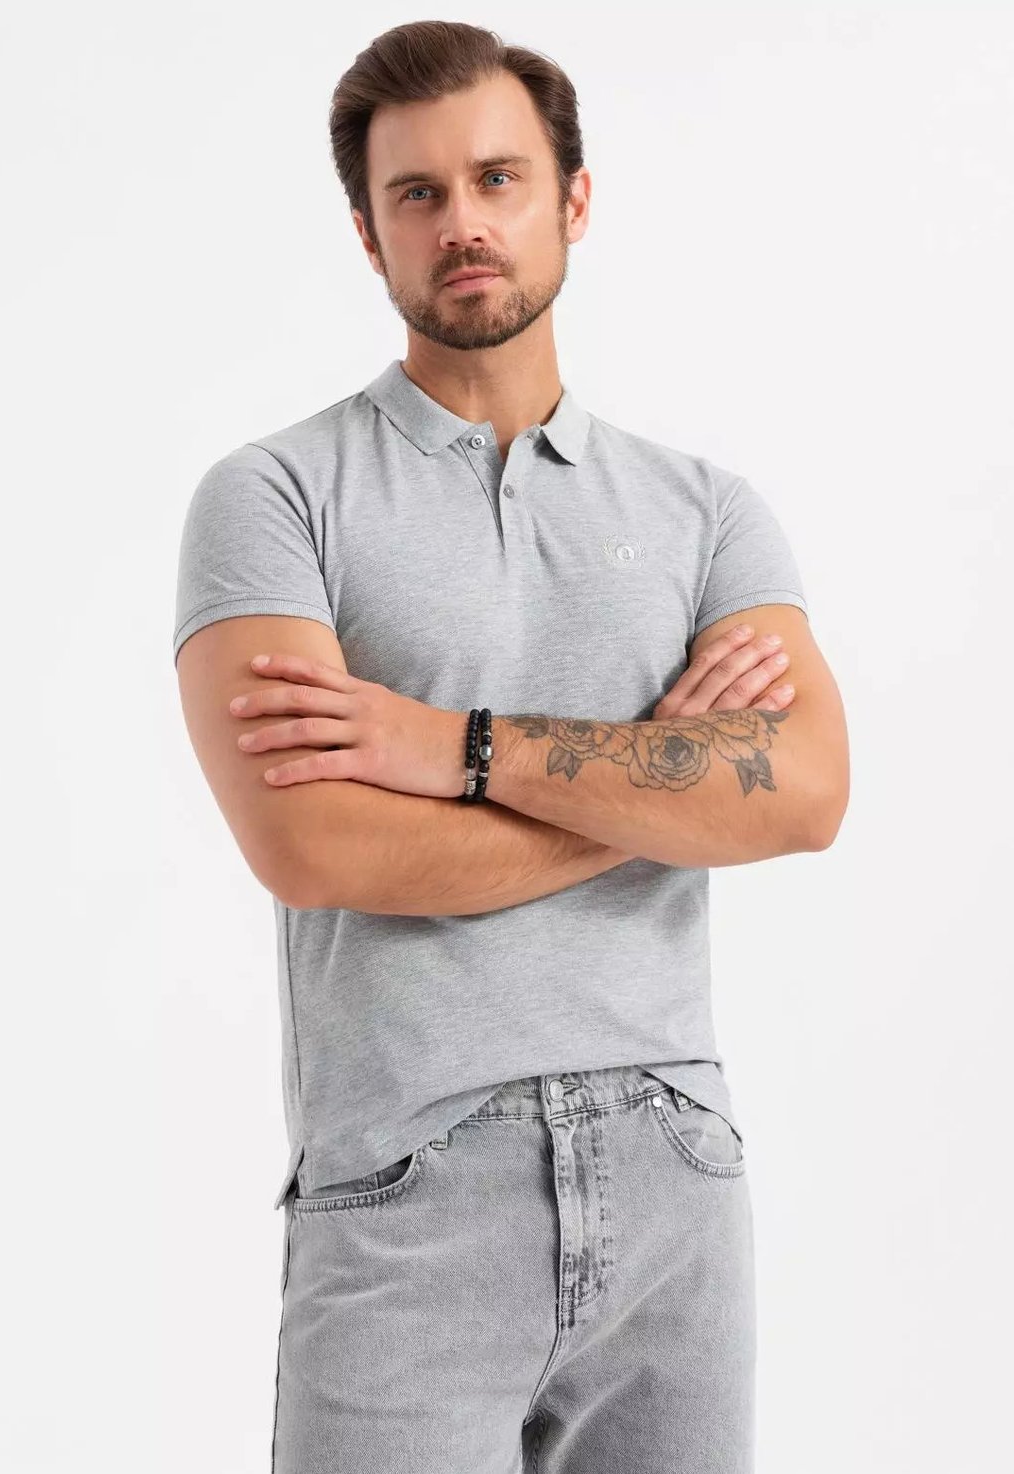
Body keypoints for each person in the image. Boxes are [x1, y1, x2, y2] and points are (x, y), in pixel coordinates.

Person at [172, 19, 849, 1474]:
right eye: (416, 193)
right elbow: (315, 844)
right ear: (369, 233)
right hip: (405, 1191)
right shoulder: (275, 499)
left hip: (677, 1181)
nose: (462, 223)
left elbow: (802, 794)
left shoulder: (708, 513)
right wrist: (661, 782)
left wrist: (458, 747)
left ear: (573, 199)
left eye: (497, 178)